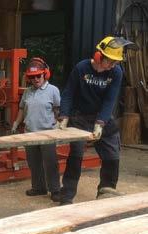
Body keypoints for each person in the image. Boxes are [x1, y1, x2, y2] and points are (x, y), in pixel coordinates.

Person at [57, 36, 136, 205]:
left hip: (101, 115)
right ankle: (66, 195)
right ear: (99, 56)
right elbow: (68, 93)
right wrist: (64, 116)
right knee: (76, 155)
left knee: (112, 154)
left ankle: (105, 191)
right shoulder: (81, 68)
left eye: (116, 62)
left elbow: (110, 100)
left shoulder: (116, 72)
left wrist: (100, 123)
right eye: (111, 61)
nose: (113, 65)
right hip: (80, 117)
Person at [11, 58, 61, 201]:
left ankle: (55, 190)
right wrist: (16, 123)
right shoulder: (27, 92)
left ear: (45, 74)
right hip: (30, 133)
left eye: (38, 76)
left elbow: (57, 110)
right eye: (32, 77)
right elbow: (22, 109)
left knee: (51, 162)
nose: (35, 79)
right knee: (34, 162)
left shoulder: (53, 90)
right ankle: (39, 188)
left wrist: (60, 124)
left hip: (47, 133)